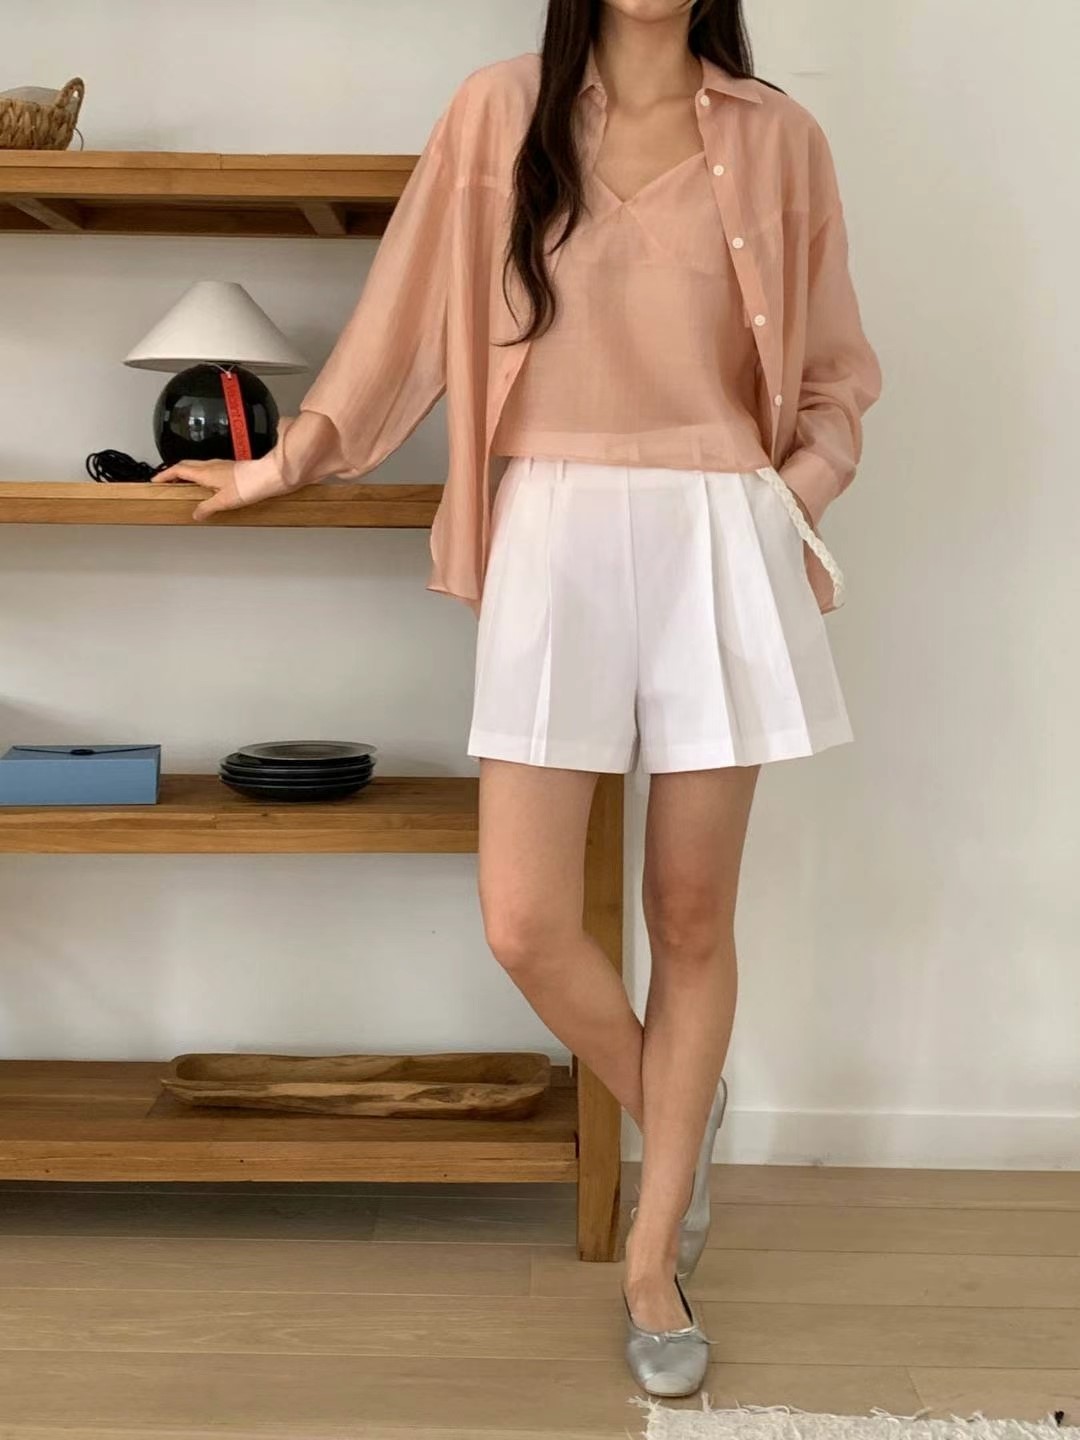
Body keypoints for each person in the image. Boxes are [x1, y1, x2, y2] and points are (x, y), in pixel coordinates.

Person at [155, 0, 881, 1400]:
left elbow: (839, 371)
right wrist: (284, 459)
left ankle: (653, 1258)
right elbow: (404, 319)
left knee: (690, 915)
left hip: (720, 533)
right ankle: (680, 1106)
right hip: (552, 528)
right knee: (525, 918)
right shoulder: (500, 111)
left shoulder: (780, 137)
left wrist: (785, 500)